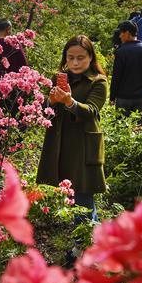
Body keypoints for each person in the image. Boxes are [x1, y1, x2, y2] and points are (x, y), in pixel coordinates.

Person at [36, 36, 108, 247]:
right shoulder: (58, 78)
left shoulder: (98, 81)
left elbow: (92, 111)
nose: (75, 63)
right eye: (70, 57)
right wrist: (51, 101)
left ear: (91, 57)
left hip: (83, 146)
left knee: (83, 198)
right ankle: (94, 242)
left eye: (81, 58)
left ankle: (83, 247)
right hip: (61, 144)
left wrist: (69, 102)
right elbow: (44, 110)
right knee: (76, 197)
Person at [110, 20, 142, 120]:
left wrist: (112, 96)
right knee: (137, 127)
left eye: (121, 33)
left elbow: (116, 76)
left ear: (127, 33)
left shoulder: (121, 52)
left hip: (123, 98)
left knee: (121, 126)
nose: (120, 36)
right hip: (140, 97)